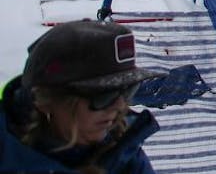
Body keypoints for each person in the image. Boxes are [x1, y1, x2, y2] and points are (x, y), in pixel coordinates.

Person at [1, 19, 163, 174]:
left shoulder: (123, 152)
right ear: (45, 100)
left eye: (128, 90)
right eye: (104, 95)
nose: (120, 106)